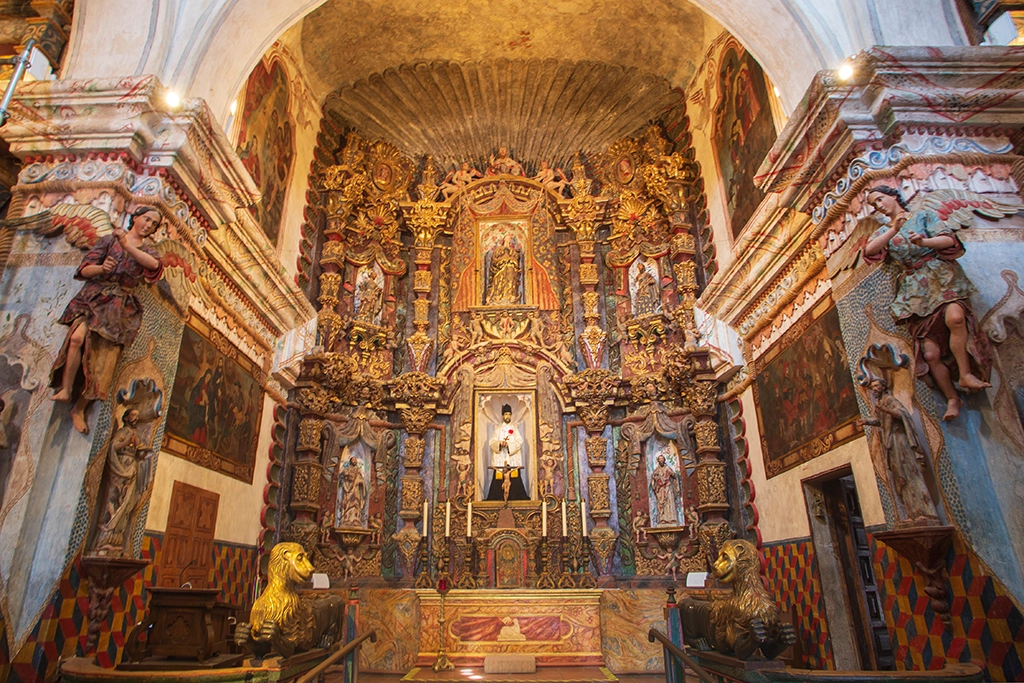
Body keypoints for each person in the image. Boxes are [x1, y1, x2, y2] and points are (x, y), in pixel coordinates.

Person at [864, 185, 992, 421]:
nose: (879, 206)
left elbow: (947, 240)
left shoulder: (923, 216)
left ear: (893, 196)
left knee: (955, 318)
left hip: (940, 277)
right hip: (915, 290)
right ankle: (953, 398)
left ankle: (965, 374)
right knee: (930, 355)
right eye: (874, 205)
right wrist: (894, 228)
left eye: (880, 199)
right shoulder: (885, 230)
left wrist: (924, 243)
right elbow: (870, 250)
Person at [50, 207, 162, 434]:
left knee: (104, 364)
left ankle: (80, 408)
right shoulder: (108, 241)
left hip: (119, 310)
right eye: (146, 219)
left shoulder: (149, 250)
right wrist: (102, 268)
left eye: (153, 223)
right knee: (76, 338)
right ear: (135, 218)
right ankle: (66, 389)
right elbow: (84, 268)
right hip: (94, 298)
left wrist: (127, 245)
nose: (148, 225)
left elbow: (153, 266)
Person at [862, 379, 938, 524]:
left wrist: (885, 410)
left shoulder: (889, 400)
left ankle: (926, 512)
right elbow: (882, 421)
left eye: (876, 386)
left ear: (884, 387)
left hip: (900, 440)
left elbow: (901, 414)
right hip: (890, 443)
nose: (874, 389)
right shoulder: (881, 403)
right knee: (900, 479)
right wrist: (866, 421)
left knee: (911, 474)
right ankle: (912, 513)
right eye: (872, 387)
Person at [93, 409, 150, 555]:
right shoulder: (124, 432)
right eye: (133, 415)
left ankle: (116, 540)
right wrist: (126, 442)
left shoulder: (135, 434)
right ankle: (103, 539)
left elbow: (140, 451)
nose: (136, 418)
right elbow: (113, 446)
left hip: (131, 469)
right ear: (126, 417)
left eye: (137, 416)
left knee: (126, 504)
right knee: (114, 499)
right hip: (120, 468)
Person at [486, 404, 528, 501]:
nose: (507, 416)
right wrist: (500, 444)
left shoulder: (514, 429)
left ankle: (516, 499)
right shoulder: (498, 429)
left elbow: (519, 442)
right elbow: (492, 442)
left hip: (512, 460)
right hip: (500, 460)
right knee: (498, 481)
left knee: (515, 480)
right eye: (505, 414)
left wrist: (509, 445)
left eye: (509, 414)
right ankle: (497, 499)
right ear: (502, 416)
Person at [485, 237, 523, 306]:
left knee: (511, 274)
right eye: (507, 238)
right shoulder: (498, 249)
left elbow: (516, 259)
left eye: (509, 239)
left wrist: (510, 260)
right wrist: (503, 259)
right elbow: (494, 258)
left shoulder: (513, 251)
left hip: (511, 268)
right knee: (498, 279)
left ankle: (511, 295)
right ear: (504, 240)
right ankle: (497, 296)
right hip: (499, 267)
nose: (508, 240)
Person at [650, 453, 681, 525]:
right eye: (660, 459)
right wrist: (655, 479)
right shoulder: (656, 470)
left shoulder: (667, 468)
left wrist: (672, 475)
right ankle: (663, 519)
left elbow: (674, 475)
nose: (661, 461)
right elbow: (653, 479)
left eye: (662, 459)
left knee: (669, 502)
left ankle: (671, 518)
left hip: (668, 487)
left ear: (664, 460)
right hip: (661, 489)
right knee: (661, 503)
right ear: (658, 461)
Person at [338, 456, 367, 527]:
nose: (355, 461)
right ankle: (346, 518)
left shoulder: (358, 471)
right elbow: (345, 475)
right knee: (347, 502)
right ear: (350, 461)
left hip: (356, 489)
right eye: (353, 460)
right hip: (348, 489)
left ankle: (356, 518)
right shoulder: (347, 469)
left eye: (356, 460)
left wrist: (360, 482)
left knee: (356, 502)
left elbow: (361, 481)